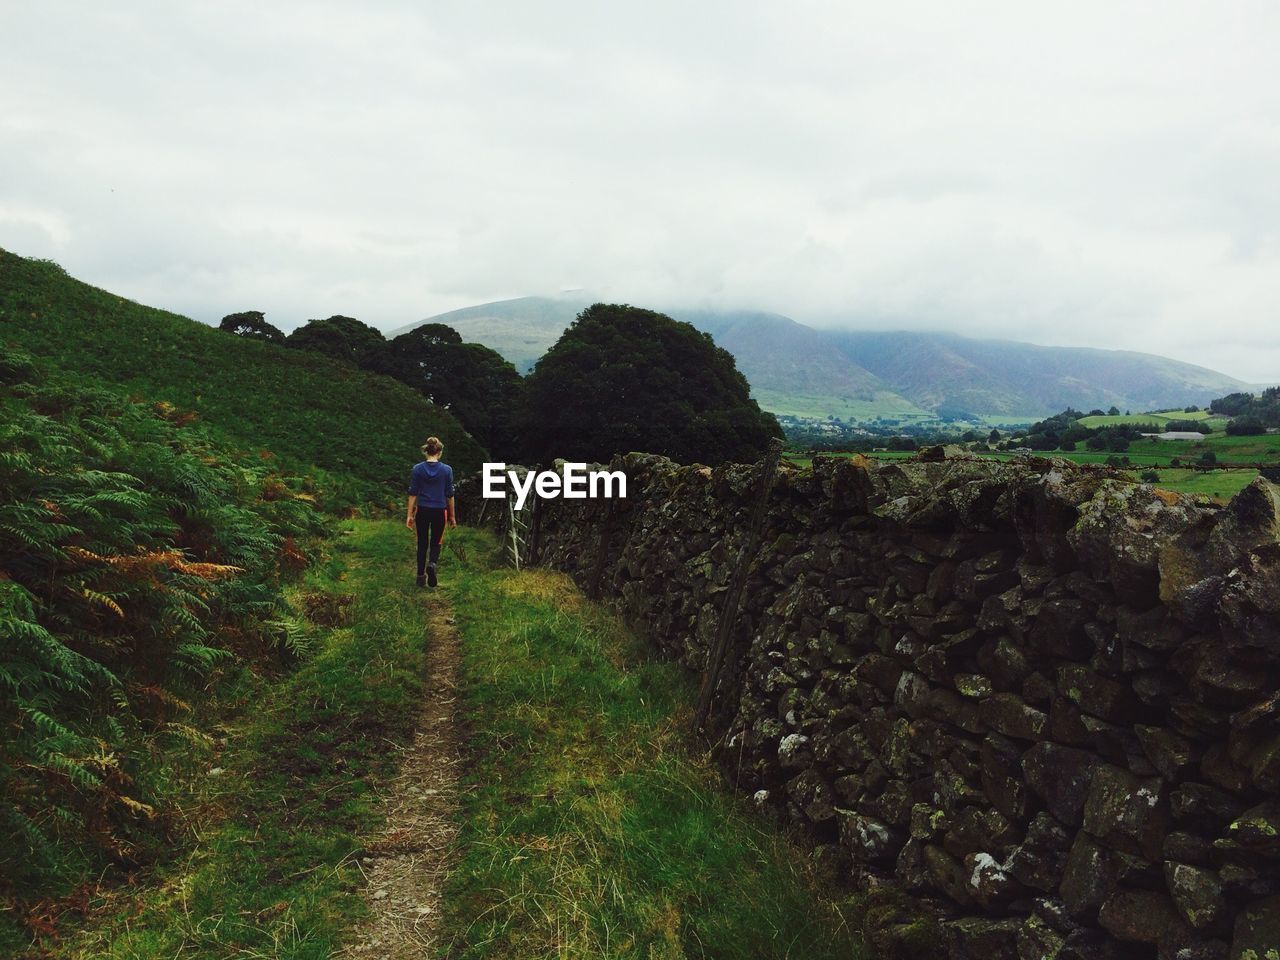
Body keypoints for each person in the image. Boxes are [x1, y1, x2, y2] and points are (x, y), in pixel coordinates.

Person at [406, 436, 457, 587]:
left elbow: (413, 493)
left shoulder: (417, 469)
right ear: (439, 452)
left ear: (426, 451)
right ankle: (432, 564)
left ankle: (420, 577)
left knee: (422, 543)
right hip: (439, 511)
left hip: (422, 510)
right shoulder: (447, 470)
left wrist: (409, 514)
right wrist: (452, 516)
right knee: (436, 541)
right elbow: (450, 495)